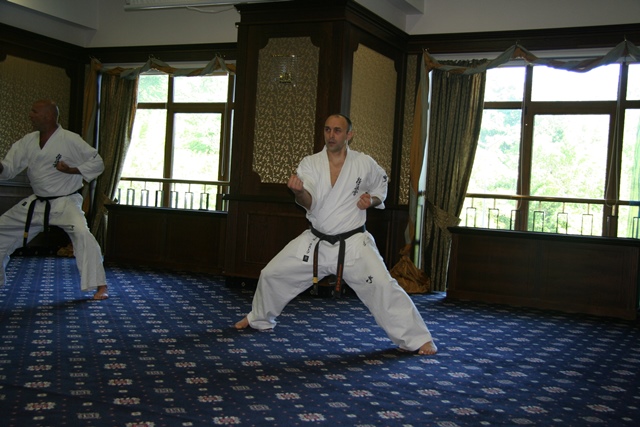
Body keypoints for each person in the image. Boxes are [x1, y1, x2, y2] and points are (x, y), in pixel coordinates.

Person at [236, 114, 437, 355]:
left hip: (353, 243)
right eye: (327, 130)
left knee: (384, 286)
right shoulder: (310, 163)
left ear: (349, 134)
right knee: (272, 273)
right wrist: (298, 193)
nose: (331, 135)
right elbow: (309, 201)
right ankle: (258, 318)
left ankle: (417, 338)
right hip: (316, 241)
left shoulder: (364, 163)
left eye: (337, 131)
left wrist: (371, 200)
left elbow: (381, 188)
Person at [0, 99, 108, 300]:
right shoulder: (28, 141)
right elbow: (9, 167)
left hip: (65, 202)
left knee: (83, 235)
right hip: (37, 202)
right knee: (2, 229)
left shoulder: (70, 139)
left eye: (34, 111)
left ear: (48, 116)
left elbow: (97, 163)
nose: (30, 115)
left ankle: (100, 286)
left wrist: (72, 170)